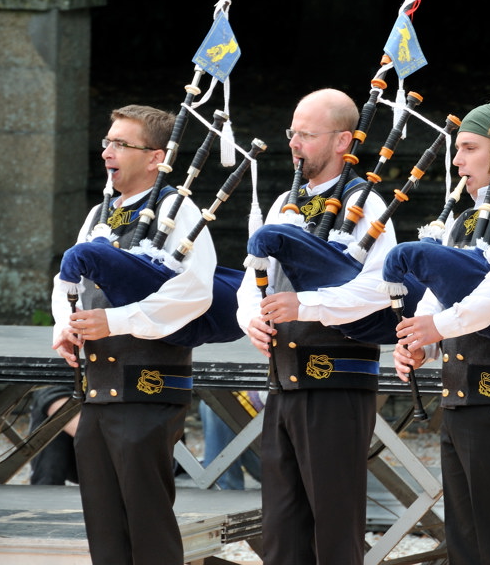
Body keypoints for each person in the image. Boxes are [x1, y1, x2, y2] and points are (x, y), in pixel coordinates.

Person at [236, 87, 397, 565]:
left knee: (334, 526)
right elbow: (252, 276)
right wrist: (252, 318)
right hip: (284, 378)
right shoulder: (286, 201)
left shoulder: (365, 204)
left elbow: (380, 289)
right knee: (282, 529)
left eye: (306, 134)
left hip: (336, 380)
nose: (294, 143)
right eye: (292, 132)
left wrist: (303, 305)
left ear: (343, 140)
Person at [51, 104, 217, 565]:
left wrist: (116, 321)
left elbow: (195, 292)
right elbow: (66, 280)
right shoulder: (97, 213)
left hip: (148, 386)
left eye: (121, 143)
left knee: (149, 530)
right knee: (105, 532)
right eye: (107, 141)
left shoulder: (178, 210)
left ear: (155, 157)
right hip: (98, 390)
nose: (108, 151)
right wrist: (64, 324)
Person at [391, 94, 490, 565]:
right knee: (466, 543)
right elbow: (437, 290)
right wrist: (418, 343)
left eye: (468, 148)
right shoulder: (464, 219)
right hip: (462, 396)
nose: (457, 161)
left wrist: (436, 327)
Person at [199, 392, 263, 490]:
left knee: (222, 407)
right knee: (210, 402)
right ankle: (222, 484)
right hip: (260, 448)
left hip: (283, 462)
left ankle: (220, 486)